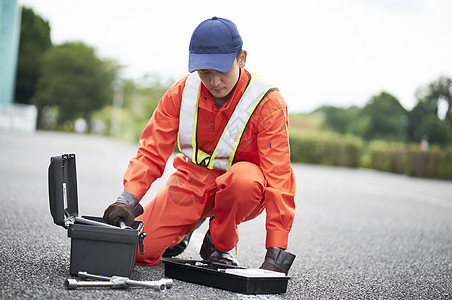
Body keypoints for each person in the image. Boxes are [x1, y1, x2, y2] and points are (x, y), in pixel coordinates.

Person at [103, 16, 296, 274]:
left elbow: (279, 178)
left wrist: (276, 249)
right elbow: (151, 151)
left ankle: (218, 243)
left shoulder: (268, 103)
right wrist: (127, 200)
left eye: (222, 71)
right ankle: (184, 226)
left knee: (244, 180)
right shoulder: (181, 93)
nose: (214, 81)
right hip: (191, 183)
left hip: (241, 189)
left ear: (242, 59)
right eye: (205, 72)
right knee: (138, 251)